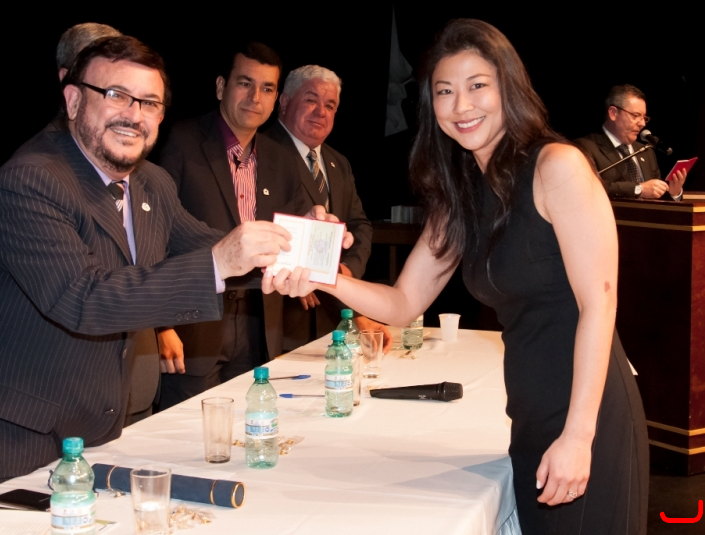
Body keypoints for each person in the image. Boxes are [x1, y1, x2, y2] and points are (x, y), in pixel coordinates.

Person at [265, 19, 648, 534]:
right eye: (445, 91)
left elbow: (599, 305)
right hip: (530, 412)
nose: (461, 105)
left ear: (508, 87)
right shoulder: (459, 195)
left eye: (477, 85)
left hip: (587, 413)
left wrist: (579, 437)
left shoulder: (557, 166)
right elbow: (402, 303)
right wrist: (320, 273)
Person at [0, 36, 294, 493]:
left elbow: (214, 248)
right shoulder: (29, 182)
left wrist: (300, 250)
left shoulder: (151, 184)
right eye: (116, 95)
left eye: (149, 102)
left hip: (93, 436)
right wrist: (220, 261)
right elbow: (83, 298)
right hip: (7, 443)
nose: (134, 114)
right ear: (72, 100)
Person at [153, 43, 313, 409]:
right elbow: (155, 234)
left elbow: (296, 230)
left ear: (276, 99)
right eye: (245, 83)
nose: (255, 97)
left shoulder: (281, 158)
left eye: (267, 88)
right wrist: (160, 325)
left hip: (260, 322)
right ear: (221, 86)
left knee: (251, 425)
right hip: (193, 325)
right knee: (189, 431)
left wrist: (317, 226)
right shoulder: (180, 142)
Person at [265, 65, 391, 352]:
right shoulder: (261, 152)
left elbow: (360, 226)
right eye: (311, 100)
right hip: (281, 320)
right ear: (284, 102)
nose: (321, 112)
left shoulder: (338, 162)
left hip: (333, 319)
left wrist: (345, 271)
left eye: (330, 105)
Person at [576, 84, 686, 200]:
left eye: (644, 118)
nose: (642, 124)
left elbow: (656, 201)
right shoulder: (585, 147)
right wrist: (638, 189)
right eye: (636, 115)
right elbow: (587, 186)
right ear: (613, 113)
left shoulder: (647, 152)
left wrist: (673, 193)